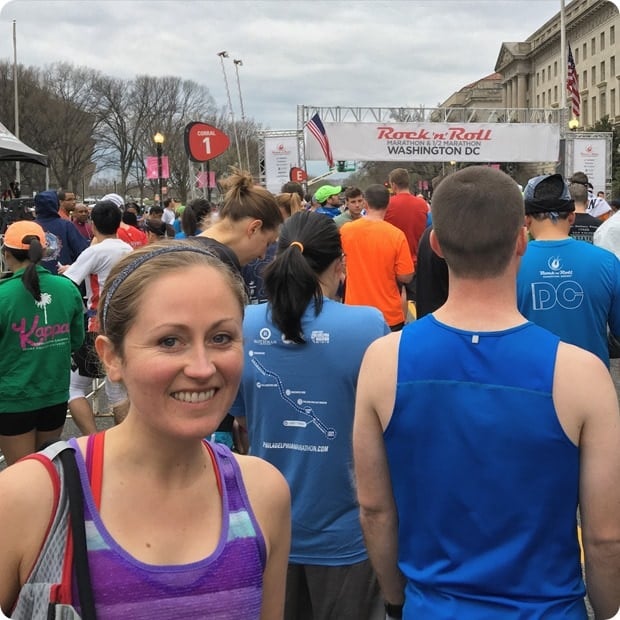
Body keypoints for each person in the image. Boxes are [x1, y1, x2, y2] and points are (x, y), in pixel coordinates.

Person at [353, 165, 620, 619]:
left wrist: (397, 603)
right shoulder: (582, 373)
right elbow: (603, 536)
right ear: (522, 240)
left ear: (435, 246)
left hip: (431, 606)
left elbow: (375, 510)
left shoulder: (383, 361)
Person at [1, 241, 291, 619]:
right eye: (169, 341)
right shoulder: (30, 499)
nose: (202, 368)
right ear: (112, 357)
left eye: (221, 338)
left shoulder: (264, 493)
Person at [231, 211, 388, 620]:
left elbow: (243, 423)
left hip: (266, 526)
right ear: (339, 265)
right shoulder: (367, 325)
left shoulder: (243, 325)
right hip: (345, 532)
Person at [0, 221, 84, 465]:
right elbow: (76, 341)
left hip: (13, 398)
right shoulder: (67, 288)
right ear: (44, 252)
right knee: (46, 470)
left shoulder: (3, 295)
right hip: (55, 395)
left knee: (24, 474)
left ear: (6, 254)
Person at [517, 173, 620, 366]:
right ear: (571, 217)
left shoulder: (509, 264)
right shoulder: (607, 262)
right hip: (590, 384)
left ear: (527, 220)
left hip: (529, 386)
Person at [60, 201, 133, 434]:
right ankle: (124, 441)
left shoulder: (94, 251)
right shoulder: (128, 249)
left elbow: (69, 281)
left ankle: (95, 439)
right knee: (116, 388)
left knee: (72, 388)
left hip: (96, 324)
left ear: (93, 225)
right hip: (124, 322)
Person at [340, 184, 413, 331]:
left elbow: (340, 263)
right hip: (388, 314)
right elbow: (406, 276)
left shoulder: (346, 230)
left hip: (354, 311)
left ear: (365, 203)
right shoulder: (396, 235)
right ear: (388, 203)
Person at [196, 168, 283, 272]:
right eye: (268, 243)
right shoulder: (214, 267)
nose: (262, 256)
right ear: (254, 228)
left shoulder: (183, 251)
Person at [384, 168, 429, 301]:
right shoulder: (422, 204)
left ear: (393, 185)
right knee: (417, 301)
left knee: (394, 301)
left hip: (393, 261)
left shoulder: (388, 204)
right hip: (417, 260)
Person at [34, 190, 89, 275]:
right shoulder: (67, 226)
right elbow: (84, 252)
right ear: (57, 204)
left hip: (34, 279)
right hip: (63, 279)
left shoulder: (29, 227)